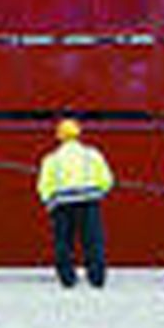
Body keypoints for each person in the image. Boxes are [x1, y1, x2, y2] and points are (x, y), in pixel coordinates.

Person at [36, 118, 114, 289]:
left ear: (59, 136)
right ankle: (96, 277)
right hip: (89, 201)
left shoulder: (52, 159)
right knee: (93, 241)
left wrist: (49, 203)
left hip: (62, 204)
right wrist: (98, 194)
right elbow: (107, 179)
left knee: (64, 242)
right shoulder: (92, 155)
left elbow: (44, 184)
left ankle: (67, 278)